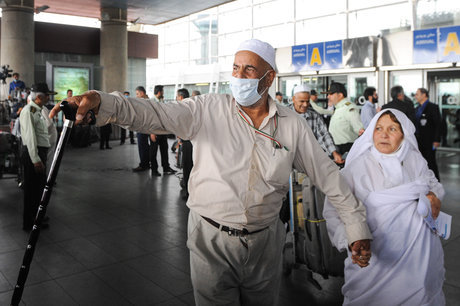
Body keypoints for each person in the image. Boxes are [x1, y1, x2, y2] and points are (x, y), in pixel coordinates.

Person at [50, 38, 372, 306]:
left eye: (249, 69)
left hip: (266, 244)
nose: (239, 76)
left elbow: (328, 176)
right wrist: (102, 103)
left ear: (269, 77)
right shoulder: (208, 109)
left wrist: (356, 226)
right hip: (211, 239)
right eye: (235, 68)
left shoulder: (291, 125)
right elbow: (154, 114)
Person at [324, 108, 445, 305]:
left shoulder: (414, 159)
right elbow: (334, 209)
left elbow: (433, 185)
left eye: (393, 129)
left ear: (404, 134)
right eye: (378, 128)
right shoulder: (357, 167)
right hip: (375, 264)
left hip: (418, 261)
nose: (384, 134)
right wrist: (350, 240)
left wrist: (434, 196)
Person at [20, 83, 54, 231]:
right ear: (39, 97)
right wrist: (35, 159)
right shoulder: (29, 111)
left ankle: (36, 216)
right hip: (33, 153)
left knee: (38, 188)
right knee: (32, 189)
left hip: (39, 153)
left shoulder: (36, 110)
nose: (48, 98)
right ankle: (29, 222)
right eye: (47, 95)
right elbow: (30, 137)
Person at [289, 84, 343, 164]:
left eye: (307, 101)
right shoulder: (284, 115)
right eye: (302, 101)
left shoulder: (314, 115)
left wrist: (334, 153)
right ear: (293, 99)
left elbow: (324, 135)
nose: (305, 105)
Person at [326, 82, 364, 154]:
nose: (328, 97)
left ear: (340, 95)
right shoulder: (338, 108)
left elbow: (359, 129)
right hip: (335, 149)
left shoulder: (349, 108)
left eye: (331, 94)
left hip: (346, 149)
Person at [415, 88, 441, 181]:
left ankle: (436, 182)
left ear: (424, 95)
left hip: (429, 140)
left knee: (431, 162)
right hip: (419, 140)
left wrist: (437, 140)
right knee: (420, 162)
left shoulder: (433, 107)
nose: (415, 96)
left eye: (417, 94)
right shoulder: (417, 108)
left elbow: (438, 124)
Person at [150, 85, 177, 176]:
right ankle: (154, 170)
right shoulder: (151, 102)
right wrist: (152, 132)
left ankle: (166, 168)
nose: (163, 93)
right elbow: (151, 118)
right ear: (159, 92)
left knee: (164, 150)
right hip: (155, 130)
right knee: (153, 151)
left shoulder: (161, 101)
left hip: (163, 130)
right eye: (163, 91)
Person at [176, 88, 193, 199]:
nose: (177, 98)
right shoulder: (193, 106)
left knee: (187, 167)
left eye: (177, 96)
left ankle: (188, 191)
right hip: (195, 141)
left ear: (181, 97)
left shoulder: (182, 107)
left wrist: (179, 139)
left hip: (187, 141)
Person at [132, 86, 151, 172]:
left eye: (137, 94)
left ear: (142, 93)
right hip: (146, 127)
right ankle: (146, 163)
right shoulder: (149, 101)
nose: (136, 96)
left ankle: (143, 165)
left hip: (142, 127)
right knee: (145, 146)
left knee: (142, 146)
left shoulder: (144, 102)